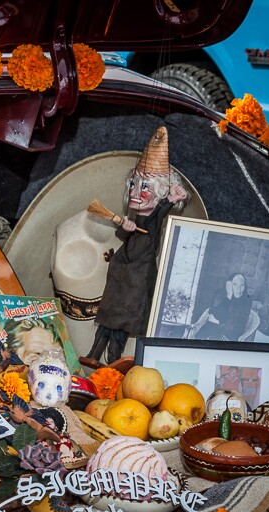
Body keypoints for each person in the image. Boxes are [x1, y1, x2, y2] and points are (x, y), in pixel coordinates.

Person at [87, 127, 188, 364]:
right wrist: (125, 227)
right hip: (121, 272)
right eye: (134, 185)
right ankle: (93, 355)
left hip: (137, 279)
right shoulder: (136, 219)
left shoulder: (153, 219)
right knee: (107, 318)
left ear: (161, 193)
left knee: (121, 323)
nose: (135, 192)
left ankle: (113, 361)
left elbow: (158, 216)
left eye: (144, 188)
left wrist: (170, 202)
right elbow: (124, 235)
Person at [192, 273, 253, 341]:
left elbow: (240, 324)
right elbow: (215, 315)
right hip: (209, 334)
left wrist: (219, 321)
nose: (239, 289)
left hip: (230, 338)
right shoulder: (219, 295)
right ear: (228, 285)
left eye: (242, 285)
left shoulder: (247, 300)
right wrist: (228, 296)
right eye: (235, 284)